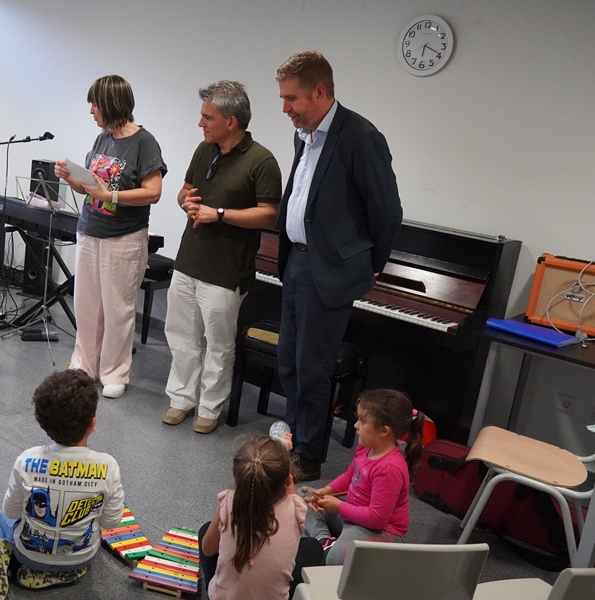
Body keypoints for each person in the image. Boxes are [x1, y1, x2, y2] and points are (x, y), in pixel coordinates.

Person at [275, 51, 403, 480]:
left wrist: (371, 266)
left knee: (312, 368)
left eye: (292, 98)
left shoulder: (360, 137)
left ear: (319, 91)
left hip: (327, 271)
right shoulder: (305, 136)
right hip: (296, 261)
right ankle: (293, 439)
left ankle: (308, 456)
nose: (285, 108)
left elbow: (387, 212)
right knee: (289, 362)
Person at [162, 81, 281, 434]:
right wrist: (186, 202)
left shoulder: (262, 161)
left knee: (218, 345)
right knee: (181, 335)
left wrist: (219, 214)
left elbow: (269, 214)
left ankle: (209, 408)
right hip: (189, 260)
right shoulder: (204, 150)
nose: (200, 123)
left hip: (226, 271)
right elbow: (185, 191)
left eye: (207, 117)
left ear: (231, 121)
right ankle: (181, 399)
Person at [54, 75, 167, 399]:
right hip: (90, 231)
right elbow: (92, 188)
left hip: (124, 238)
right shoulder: (103, 138)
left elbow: (153, 192)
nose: (91, 111)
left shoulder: (144, 142)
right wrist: (70, 178)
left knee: (118, 309)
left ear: (111, 105)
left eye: (95, 104)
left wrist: (111, 196)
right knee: (87, 305)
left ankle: (114, 372)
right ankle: (84, 366)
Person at [0, 369, 125, 598]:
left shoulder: (27, 460)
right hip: (82, 557)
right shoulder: (108, 465)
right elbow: (111, 522)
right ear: (92, 423)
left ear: (43, 424)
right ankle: (64, 573)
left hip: (28, 554)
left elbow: (11, 511)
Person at [304, 389, 424, 565]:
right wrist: (327, 490)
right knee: (302, 499)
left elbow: (377, 519)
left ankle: (333, 547)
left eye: (362, 420)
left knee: (336, 558)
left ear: (384, 431)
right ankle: (324, 540)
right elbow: (350, 474)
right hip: (354, 514)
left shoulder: (389, 469)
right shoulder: (366, 446)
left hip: (381, 530)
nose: (355, 425)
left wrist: (339, 507)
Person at [199, 436, 323, 600]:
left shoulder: (228, 502)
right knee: (312, 547)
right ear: (288, 478)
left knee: (206, 530)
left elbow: (208, 550)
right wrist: (283, 458)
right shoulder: (296, 508)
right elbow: (291, 490)